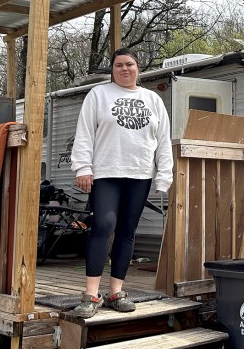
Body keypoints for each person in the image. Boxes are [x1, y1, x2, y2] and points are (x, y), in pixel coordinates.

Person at [69, 48, 173, 318]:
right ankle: (91, 294)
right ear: (112, 70)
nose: (124, 69)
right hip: (106, 172)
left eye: (130, 64)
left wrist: (164, 175)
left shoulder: (153, 99)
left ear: (138, 68)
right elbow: (84, 133)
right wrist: (82, 167)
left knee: (127, 231)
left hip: (139, 174)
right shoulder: (98, 95)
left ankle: (116, 291)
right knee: (103, 225)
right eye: (118, 65)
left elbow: (163, 140)